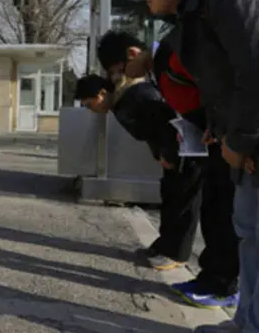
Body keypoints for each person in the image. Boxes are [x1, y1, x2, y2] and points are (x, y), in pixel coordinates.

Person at [133, 0, 259, 332]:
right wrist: (217, 130)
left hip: (251, 145)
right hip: (239, 143)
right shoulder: (193, 19)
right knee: (250, 234)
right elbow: (221, 86)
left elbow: (254, 73)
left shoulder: (223, 1)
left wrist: (240, 141)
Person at [99, 29, 240, 309]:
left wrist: (218, 127)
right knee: (212, 210)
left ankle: (222, 286)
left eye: (121, 69)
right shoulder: (160, 65)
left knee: (221, 213)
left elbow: (213, 89)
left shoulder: (174, 56)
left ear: (132, 53)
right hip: (204, 140)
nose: (122, 77)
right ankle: (210, 278)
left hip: (219, 140)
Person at [75, 32, 197, 275]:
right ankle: (165, 245)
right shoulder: (127, 96)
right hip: (171, 155)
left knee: (183, 202)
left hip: (184, 153)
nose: (117, 76)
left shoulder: (139, 93)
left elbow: (167, 123)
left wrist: (170, 154)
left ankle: (177, 253)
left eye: (116, 69)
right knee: (171, 198)